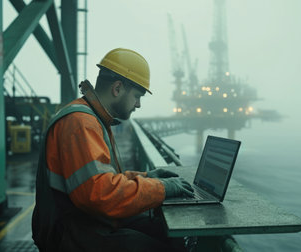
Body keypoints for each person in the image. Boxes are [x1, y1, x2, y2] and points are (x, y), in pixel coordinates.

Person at [32, 48, 195, 251]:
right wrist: (162, 188)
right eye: (137, 96)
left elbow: (100, 179)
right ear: (117, 88)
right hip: (71, 234)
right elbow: (101, 195)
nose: (138, 104)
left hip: (82, 221)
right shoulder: (82, 123)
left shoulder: (93, 118)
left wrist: (147, 176)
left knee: (164, 231)